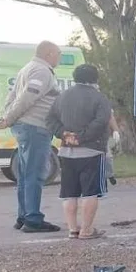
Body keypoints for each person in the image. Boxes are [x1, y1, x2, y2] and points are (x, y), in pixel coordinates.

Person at [0, 41, 63, 233]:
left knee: (25, 175)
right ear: (49, 53)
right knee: (34, 174)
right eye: (58, 54)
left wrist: (7, 116)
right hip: (35, 128)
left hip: (26, 127)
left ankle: (23, 216)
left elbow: (12, 96)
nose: (59, 58)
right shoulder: (41, 71)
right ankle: (33, 220)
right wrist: (8, 119)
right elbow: (26, 98)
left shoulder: (27, 68)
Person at [45, 64, 112, 239]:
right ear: (95, 79)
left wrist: (63, 134)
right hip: (92, 151)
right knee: (90, 192)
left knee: (69, 193)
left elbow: (50, 119)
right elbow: (101, 122)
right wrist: (81, 137)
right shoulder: (99, 98)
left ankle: (73, 229)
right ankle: (87, 230)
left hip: (66, 152)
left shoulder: (62, 97)